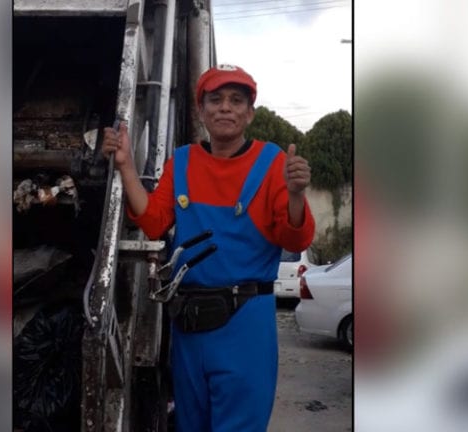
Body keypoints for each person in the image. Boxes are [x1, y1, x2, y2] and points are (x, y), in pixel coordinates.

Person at [102, 64, 315, 431]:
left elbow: (294, 238)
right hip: (190, 324)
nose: (225, 108)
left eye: (236, 100)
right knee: (190, 423)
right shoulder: (182, 161)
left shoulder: (272, 163)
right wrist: (126, 166)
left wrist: (295, 195)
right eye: (215, 100)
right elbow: (153, 220)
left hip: (245, 324)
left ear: (249, 112)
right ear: (201, 111)